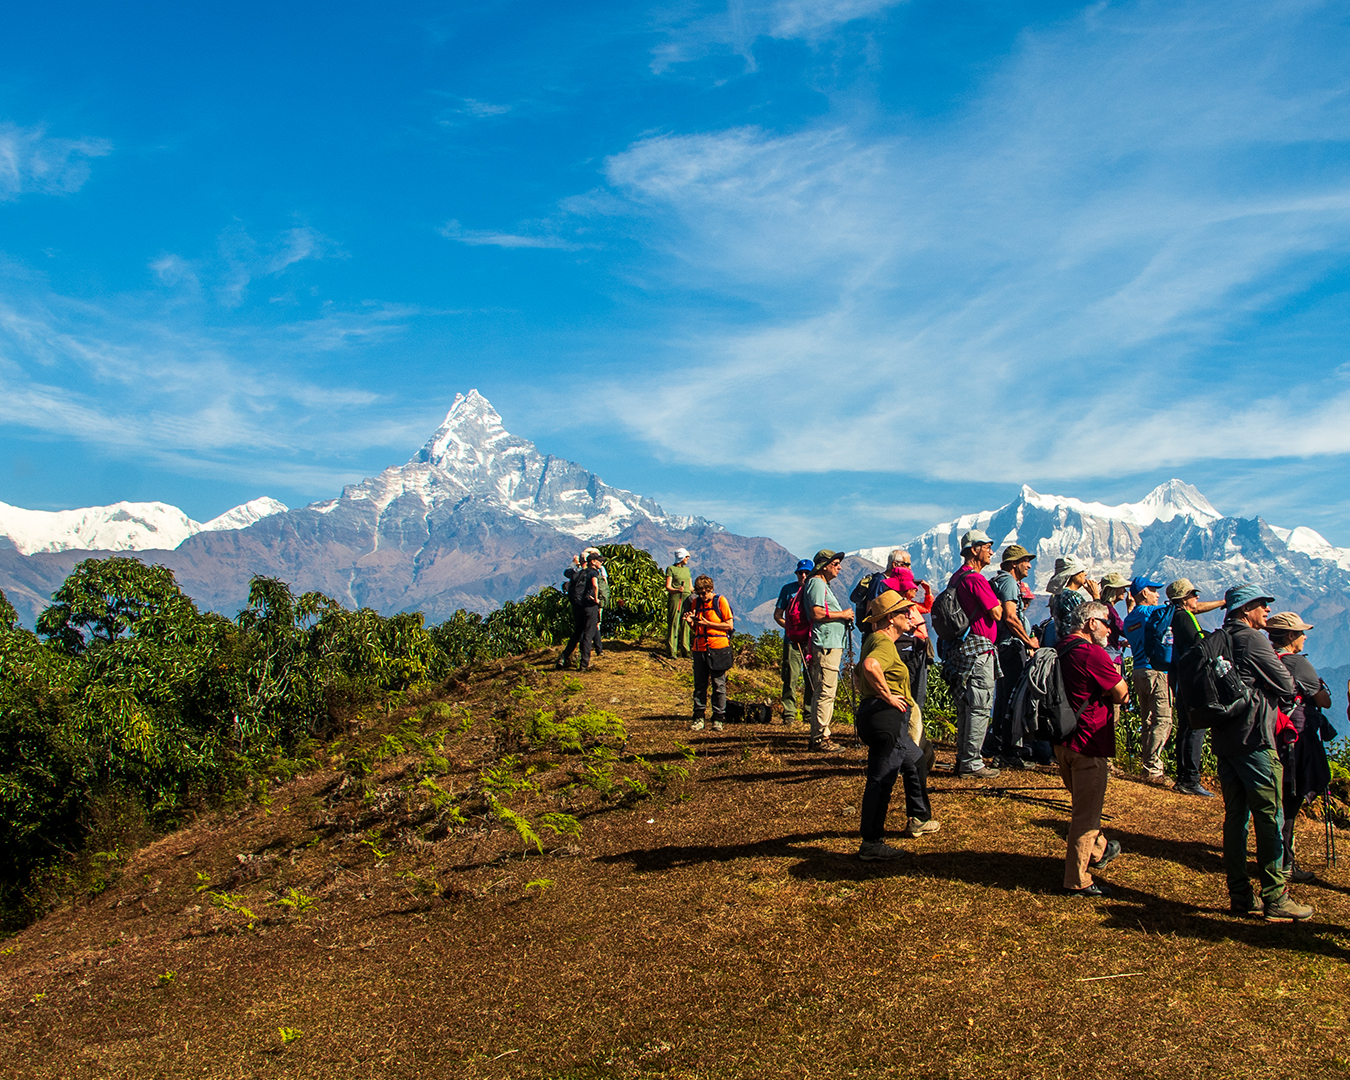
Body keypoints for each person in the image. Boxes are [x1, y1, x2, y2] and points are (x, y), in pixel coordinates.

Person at [1214, 584, 1311, 921]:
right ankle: (1275, 896)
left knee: (1235, 819)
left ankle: (1240, 893)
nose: (1267, 610)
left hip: (1224, 738)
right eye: (1262, 604)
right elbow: (1286, 684)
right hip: (1255, 738)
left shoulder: (1220, 638)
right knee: (1270, 816)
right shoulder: (1252, 639)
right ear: (1245, 609)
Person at [853, 590, 938, 860]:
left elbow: (857, 672)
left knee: (916, 760)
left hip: (877, 715)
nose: (910, 615)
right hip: (886, 717)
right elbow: (870, 666)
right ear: (890, 618)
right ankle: (871, 842)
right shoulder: (884, 643)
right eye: (904, 612)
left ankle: (920, 818)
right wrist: (887, 695)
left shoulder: (873, 639)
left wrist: (870, 695)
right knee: (882, 778)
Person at [1054, 601, 1130, 896]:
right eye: (1107, 623)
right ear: (1091, 623)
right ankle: (1077, 879)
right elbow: (1121, 693)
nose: (1110, 630)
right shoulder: (1092, 653)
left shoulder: (1061, 648)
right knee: (1085, 817)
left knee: (1084, 805)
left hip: (1063, 741)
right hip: (1089, 743)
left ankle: (1099, 850)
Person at [1267, 612, 1335, 884]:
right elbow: (1324, 701)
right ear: (1290, 636)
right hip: (1297, 739)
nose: (1305, 637)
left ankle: (1279, 857)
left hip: (1273, 734)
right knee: (1290, 803)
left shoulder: (1267, 658)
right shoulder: (1298, 663)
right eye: (1301, 632)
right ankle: (1285, 863)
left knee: (1279, 799)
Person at [946, 529, 1003, 779]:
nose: (991, 551)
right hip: (979, 649)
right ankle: (972, 762)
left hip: (961, 648)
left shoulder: (956, 578)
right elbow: (997, 613)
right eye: (987, 546)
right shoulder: (976, 580)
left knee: (965, 704)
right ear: (974, 550)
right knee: (979, 705)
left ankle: (963, 757)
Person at [1166, 578, 1225, 797]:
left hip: (1180, 675)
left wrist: (1221, 602)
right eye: (1193, 594)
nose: (1197, 598)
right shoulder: (1185, 617)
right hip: (1193, 676)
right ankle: (1190, 779)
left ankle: (1184, 777)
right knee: (1196, 726)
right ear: (1184, 599)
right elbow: (1198, 645)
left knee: (1185, 725)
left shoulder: (1174, 615)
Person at [987, 544, 1039, 768]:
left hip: (1001, 647)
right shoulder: (1009, 582)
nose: (1029, 566)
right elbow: (1010, 616)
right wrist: (1028, 641)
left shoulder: (998, 581)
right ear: (1014, 564)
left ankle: (998, 743)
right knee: (1013, 698)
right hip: (1011, 647)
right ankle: (1009, 751)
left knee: (1003, 697)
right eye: (1025, 561)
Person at [1120, 576, 1172, 785]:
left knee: (1147, 720)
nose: (1158, 595)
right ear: (1143, 593)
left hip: (1138, 671)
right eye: (1154, 590)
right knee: (1163, 719)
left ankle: (1147, 765)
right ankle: (1153, 768)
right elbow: (1180, 611)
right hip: (1155, 671)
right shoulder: (1151, 612)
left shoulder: (1130, 619)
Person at [804, 549, 855, 753]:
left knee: (824, 690)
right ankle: (820, 738)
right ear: (824, 566)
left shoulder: (820, 583)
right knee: (825, 691)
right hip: (825, 644)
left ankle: (820, 735)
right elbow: (816, 613)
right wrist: (843, 614)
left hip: (828, 644)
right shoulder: (817, 583)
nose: (839, 567)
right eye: (835, 564)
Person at [685, 575, 734, 732]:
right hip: (700, 648)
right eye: (699, 593)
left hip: (718, 648)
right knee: (700, 685)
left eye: (704, 593)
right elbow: (697, 629)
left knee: (718, 684)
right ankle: (699, 717)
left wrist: (708, 624)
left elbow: (729, 625)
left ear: (710, 589)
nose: (701, 596)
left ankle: (718, 718)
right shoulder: (696, 603)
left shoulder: (720, 602)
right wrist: (691, 623)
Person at [774, 559, 815, 726]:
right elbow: (778, 615)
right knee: (790, 676)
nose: (803, 575)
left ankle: (809, 713)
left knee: (811, 677)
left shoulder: (815, 590)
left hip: (811, 640)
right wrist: (791, 629)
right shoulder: (787, 590)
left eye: (806, 573)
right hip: (792, 640)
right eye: (800, 573)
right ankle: (789, 714)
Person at [557, 551, 603, 672]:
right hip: (589, 606)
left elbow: (568, 574)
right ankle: (584, 664)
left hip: (578, 606)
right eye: (599, 561)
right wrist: (596, 599)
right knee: (588, 634)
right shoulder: (593, 572)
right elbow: (595, 585)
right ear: (593, 562)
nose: (601, 563)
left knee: (577, 633)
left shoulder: (579, 572)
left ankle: (563, 657)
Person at [1046, 555, 1099, 643]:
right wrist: (1096, 597)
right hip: (1076, 642)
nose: (1085, 574)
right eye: (1082, 571)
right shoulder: (1073, 596)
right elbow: (1091, 620)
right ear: (1075, 574)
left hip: (1063, 642)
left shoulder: (1057, 595)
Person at [665, 548, 693, 659]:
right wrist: (677, 590)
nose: (688, 558)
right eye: (686, 556)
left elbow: (690, 587)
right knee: (674, 622)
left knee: (686, 622)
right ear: (681, 557)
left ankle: (686, 650)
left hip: (687, 598)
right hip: (676, 598)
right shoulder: (671, 569)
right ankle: (671, 650)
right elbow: (668, 586)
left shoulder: (687, 570)